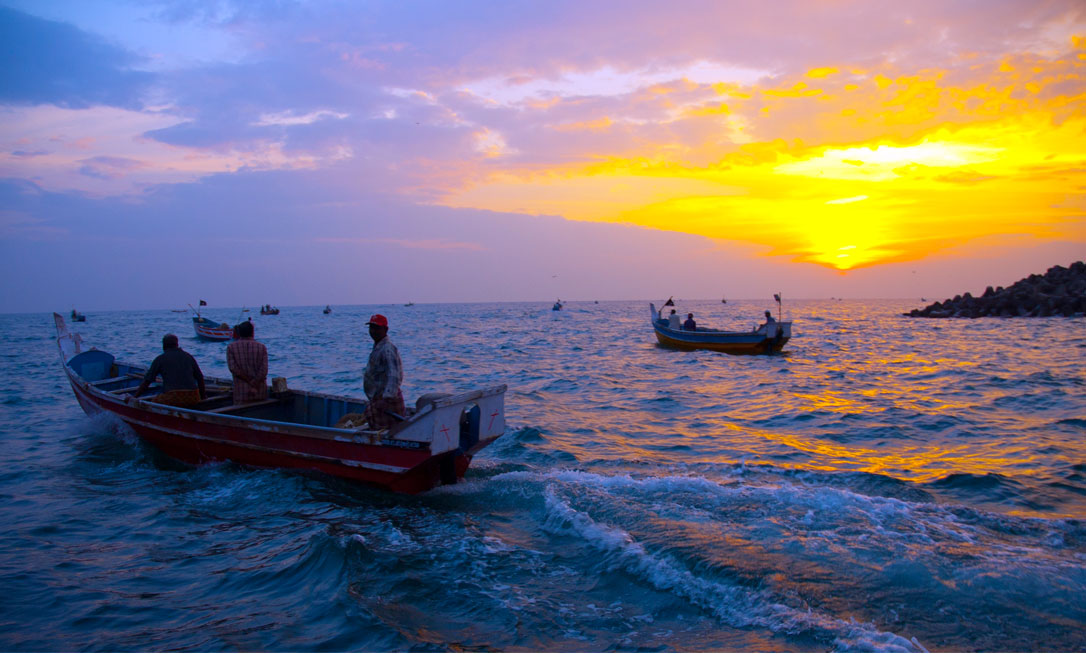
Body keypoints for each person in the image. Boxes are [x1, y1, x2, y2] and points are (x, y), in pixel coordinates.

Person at [132, 334, 206, 407]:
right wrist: (203, 396)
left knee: (154, 402)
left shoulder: (160, 359)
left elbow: (147, 381)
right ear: (177, 344)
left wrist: (134, 397)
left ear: (164, 346)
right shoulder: (189, 356)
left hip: (173, 397)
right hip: (193, 397)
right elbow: (200, 378)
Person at [363, 314, 405, 429]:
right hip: (378, 400)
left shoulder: (387, 349)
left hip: (387, 402)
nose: (373, 331)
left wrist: (386, 399)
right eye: (371, 327)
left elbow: (394, 376)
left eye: (377, 328)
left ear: (385, 329)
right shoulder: (378, 347)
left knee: (388, 434)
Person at [226, 320, 268, 404]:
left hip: (241, 394)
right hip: (260, 392)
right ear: (252, 333)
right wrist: (254, 384)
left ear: (239, 333)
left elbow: (233, 368)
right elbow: (264, 370)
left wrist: (249, 381)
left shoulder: (231, 347)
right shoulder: (262, 347)